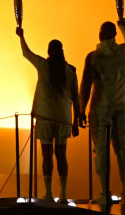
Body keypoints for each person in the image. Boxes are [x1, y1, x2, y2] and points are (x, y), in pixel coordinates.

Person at [17, 27, 81, 202]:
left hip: (45, 117)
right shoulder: (70, 71)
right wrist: (76, 122)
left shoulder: (43, 66)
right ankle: (64, 194)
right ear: (62, 52)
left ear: (48, 52)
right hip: (63, 119)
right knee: (61, 154)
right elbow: (76, 98)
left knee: (47, 155)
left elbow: (26, 53)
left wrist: (22, 36)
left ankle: (49, 193)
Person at [80, 18, 125, 215]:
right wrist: (123, 26)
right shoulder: (124, 53)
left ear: (100, 34)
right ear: (114, 35)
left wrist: (79, 110)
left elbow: (86, 86)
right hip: (123, 107)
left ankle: (105, 192)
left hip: (101, 109)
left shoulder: (94, 57)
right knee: (123, 149)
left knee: (101, 152)